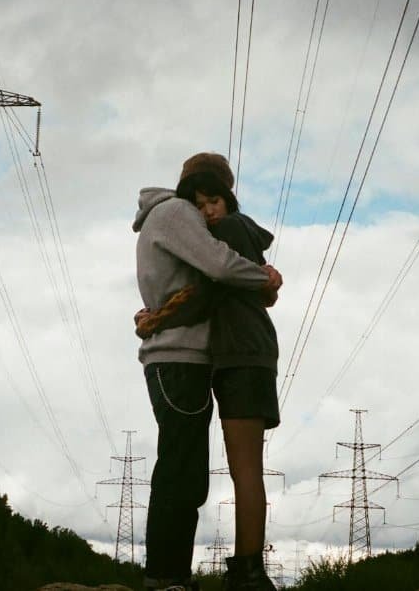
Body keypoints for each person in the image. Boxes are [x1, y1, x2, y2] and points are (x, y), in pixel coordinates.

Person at [133, 152, 282, 591]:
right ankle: (166, 578)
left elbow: (202, 288)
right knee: (181, 470)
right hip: (180, 359)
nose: (206, 210)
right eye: (200, 198)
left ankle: (172, 574)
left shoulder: (176, 217)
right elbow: (218, 269)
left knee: (186, 470)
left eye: (213, 199)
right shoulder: (177, 213)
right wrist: (264, 276)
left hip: (187, 359)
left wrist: (152, 318)